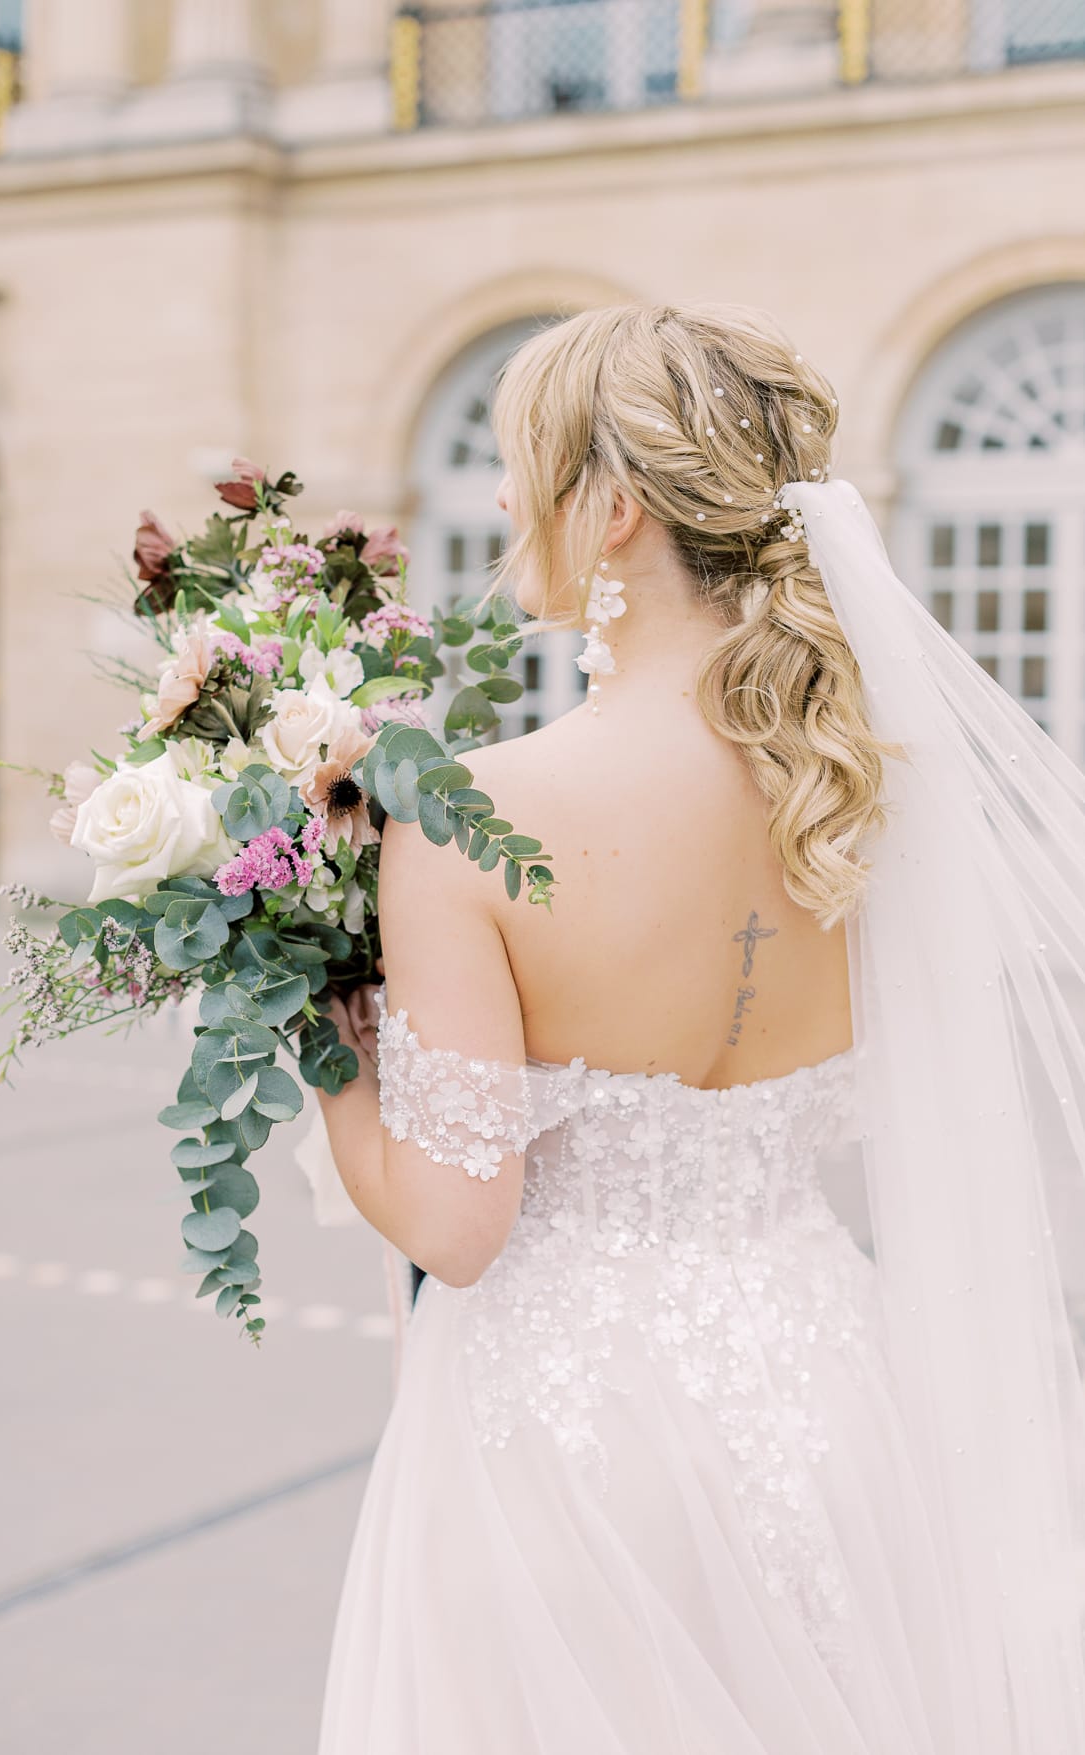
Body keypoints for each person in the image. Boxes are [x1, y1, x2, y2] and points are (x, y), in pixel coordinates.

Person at [312, 303, 1085, 1752]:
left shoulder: (478, 819)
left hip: (568, 1446)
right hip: (835, 1402)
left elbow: (455, 1226)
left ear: (608, 511)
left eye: (512, 462)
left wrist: (318, 1040)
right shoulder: (867, 796)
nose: (493, 499)